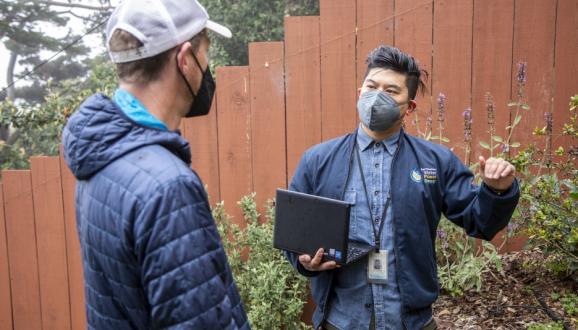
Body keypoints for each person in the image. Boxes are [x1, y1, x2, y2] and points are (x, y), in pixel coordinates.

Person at [285, 45, 520, 330]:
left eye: (391, 91)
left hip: (412, 323)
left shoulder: (436, 162)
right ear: (359, 94)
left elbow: (479, 221)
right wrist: (304, 261)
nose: (377, 97)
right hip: (340, 321)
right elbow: (294, 233)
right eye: (371, 86)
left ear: (409, 107)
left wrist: (497, 191)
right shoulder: (317, 161)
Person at [62, 1, 249, 328]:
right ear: (185, 60)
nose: (207, 67)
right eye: (205, 55)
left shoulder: (101, 159)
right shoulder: (167, 187)